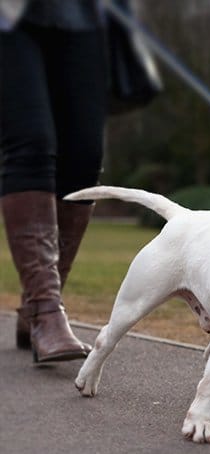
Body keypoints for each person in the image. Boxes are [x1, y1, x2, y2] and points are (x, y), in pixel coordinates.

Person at [0, 0, 107, 362]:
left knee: (84, 155)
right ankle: (46, 311)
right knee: (31, 143)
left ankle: (36, 307)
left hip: (81, 16)